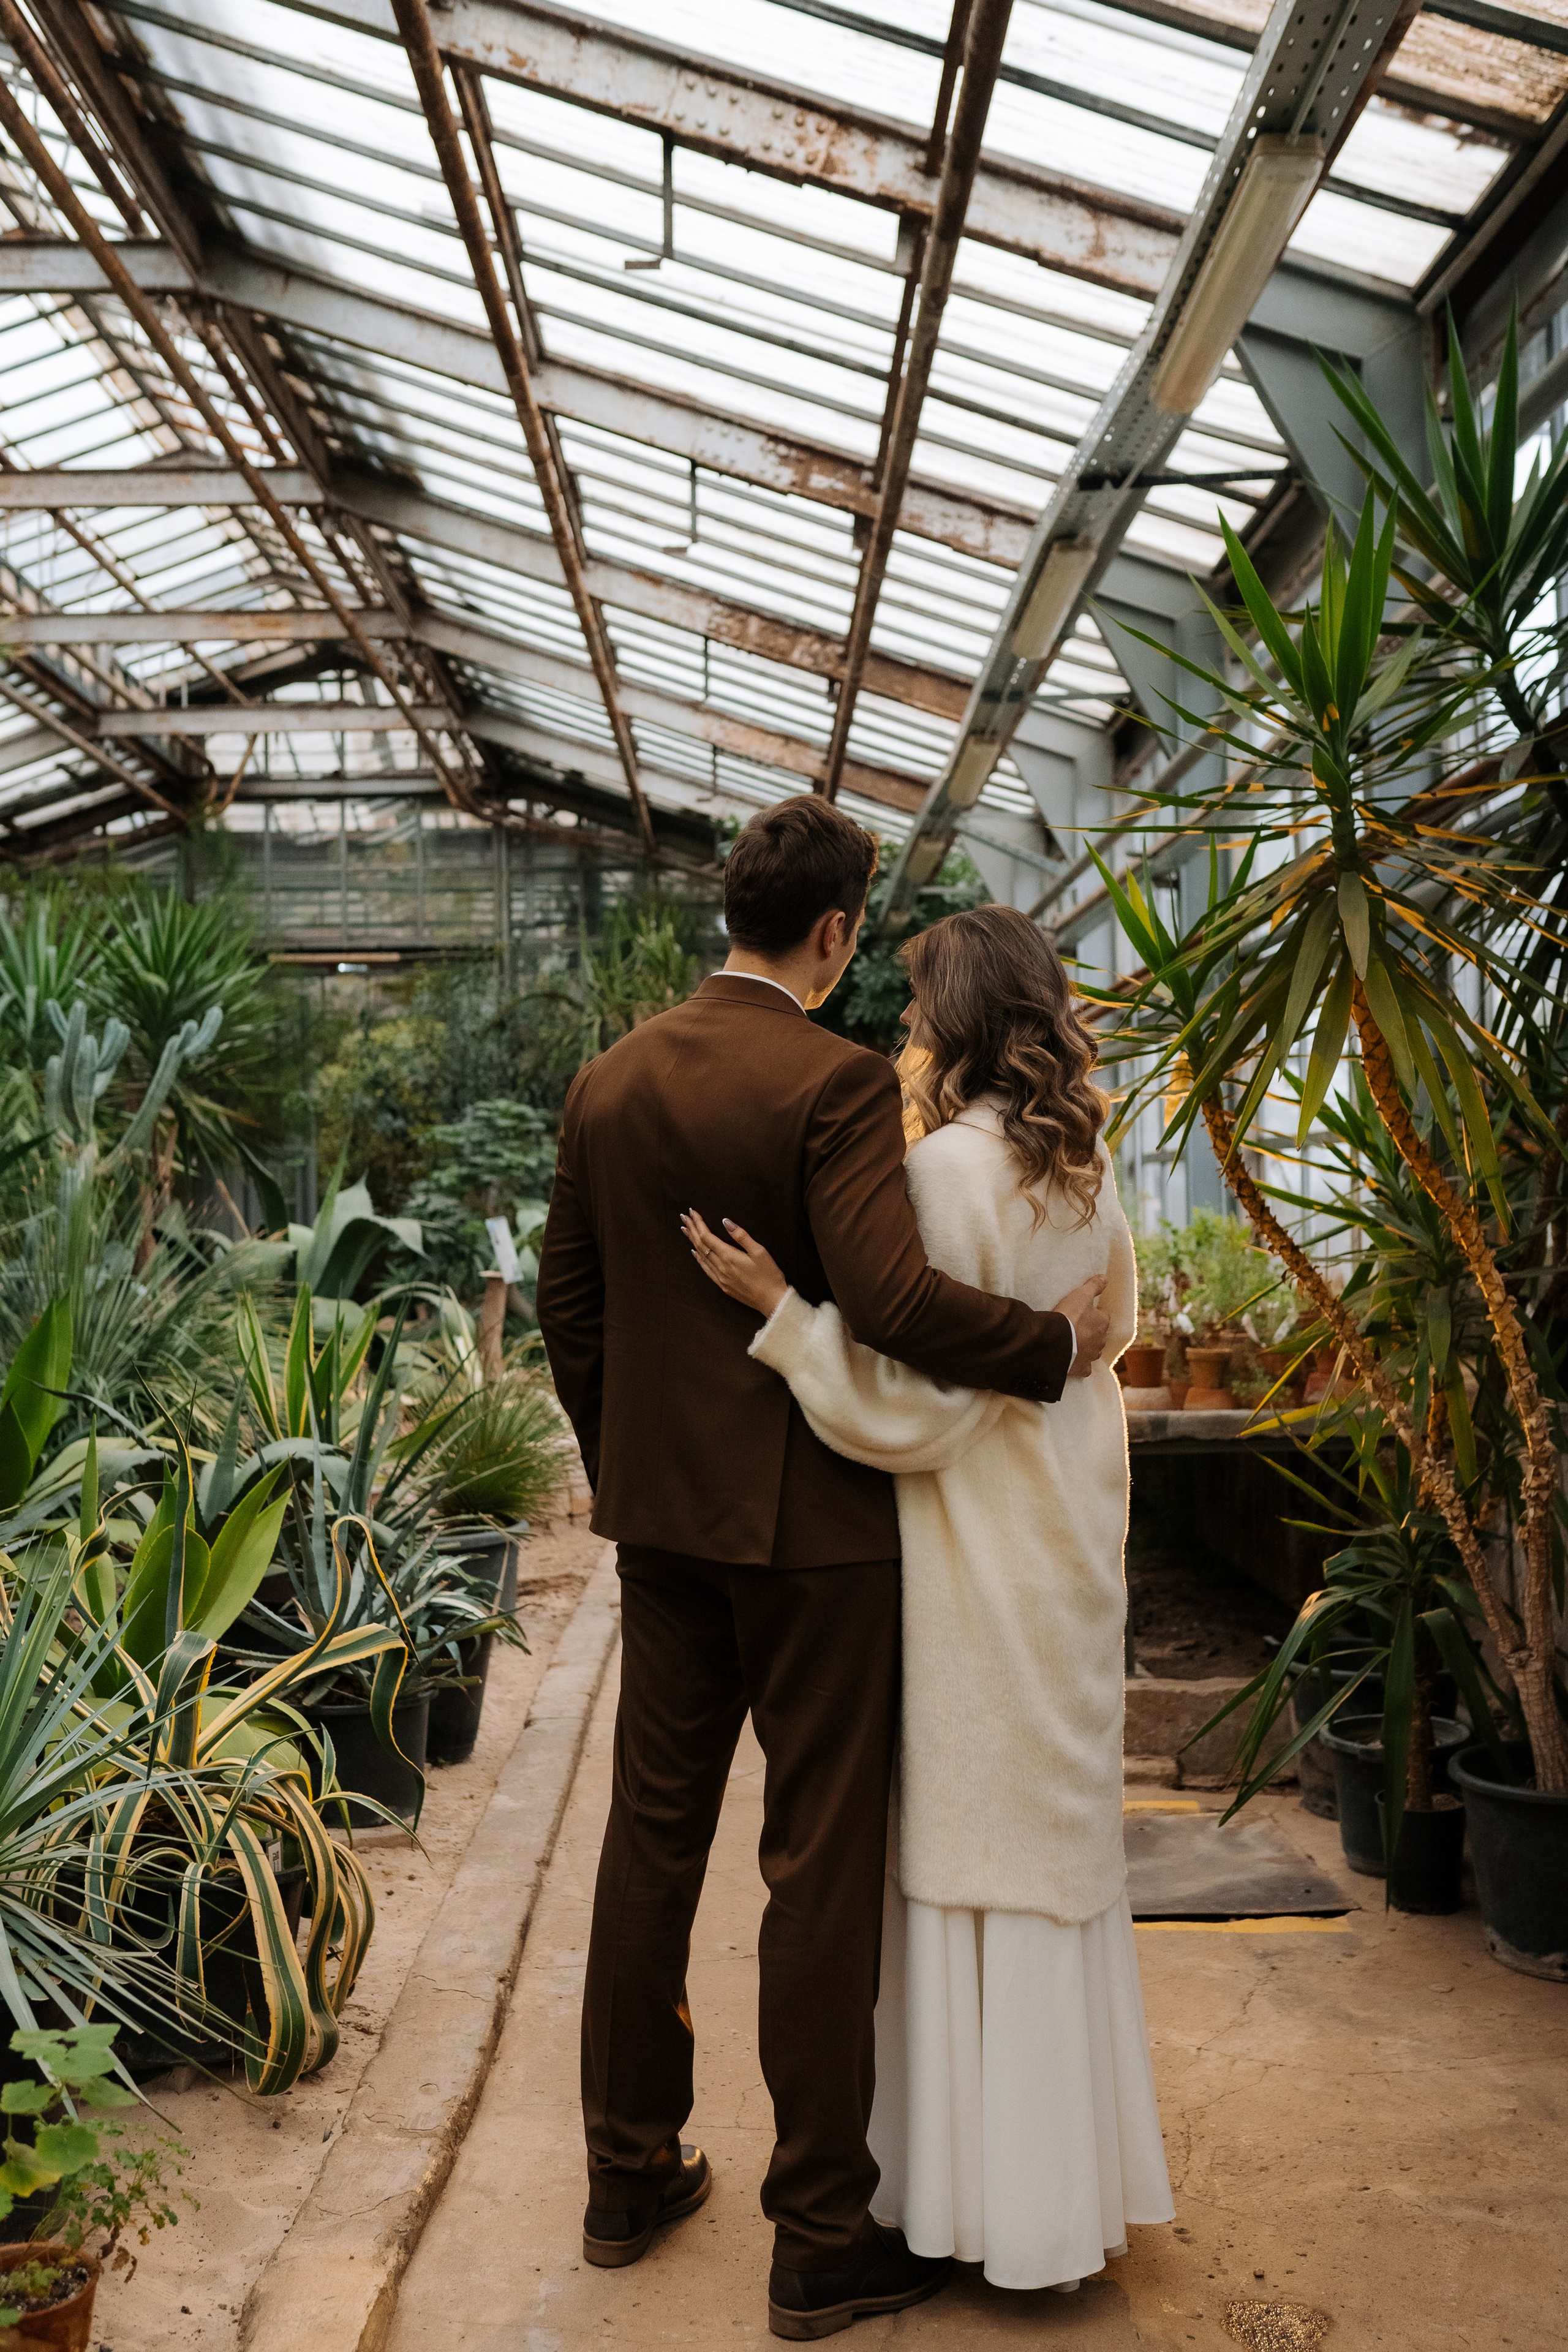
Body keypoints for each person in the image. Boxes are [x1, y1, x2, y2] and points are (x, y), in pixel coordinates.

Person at [535, 798, 1112, 2342]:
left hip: (663, 1541)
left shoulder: (607, 1081)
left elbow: (565, 1309)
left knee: (648, 1852)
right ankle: (817, 2236)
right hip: (816, 1543)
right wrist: (1054, 1345)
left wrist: (631, 1475)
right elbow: (896, 1302)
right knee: (816, 1871)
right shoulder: (838, 1082)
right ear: (838, 930)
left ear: (731, 910)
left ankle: (625, 2177)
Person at [683, 902, 1174, 2297]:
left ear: (951, 1018)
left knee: (970, 1860)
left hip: (979, 1553)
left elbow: (910, 1414)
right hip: (1071, 1531)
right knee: (1054, 1856)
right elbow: (1108, 1336)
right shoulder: (1079, 1162)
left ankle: (977, 2213)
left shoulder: (948, 1172)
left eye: (912, 1006)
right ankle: (1058, 2207)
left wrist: (785, 1316)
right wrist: (1052, 1355)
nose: (899, 1025)